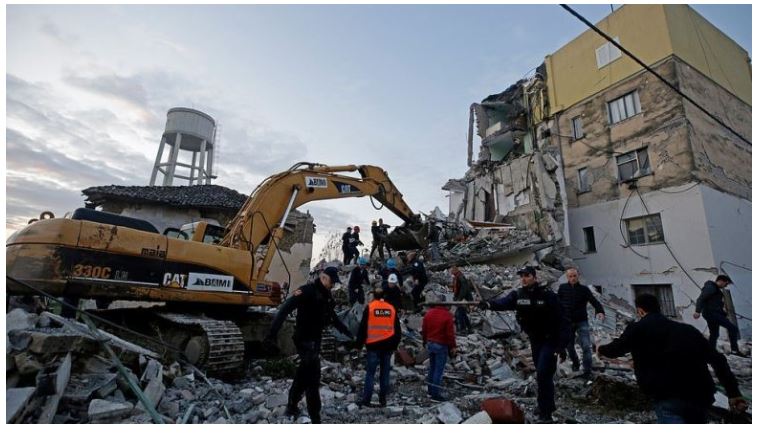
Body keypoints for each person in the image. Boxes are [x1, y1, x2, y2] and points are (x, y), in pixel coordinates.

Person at [598, 293, 748, 423]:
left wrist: (600, 348)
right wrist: (734, 393)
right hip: (699, 394)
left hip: (666, 396)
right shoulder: (687, 330)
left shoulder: (637, 329)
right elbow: (718, 360)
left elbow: (615, 349)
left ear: (640, 311)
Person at [478, 266, 569, 422]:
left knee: (542, 373)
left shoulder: (547, 295)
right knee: (543, 375)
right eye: (522, 276)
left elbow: (563, 320)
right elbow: (503, 302)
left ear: (534, 277)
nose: (524, 279)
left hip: (550, 340)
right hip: (535, 341)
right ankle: (547, 405)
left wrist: (562, 346)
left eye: (527, 275)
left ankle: (546, 413)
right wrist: (488, 304)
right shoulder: (519, 295)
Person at [266, 267, 353, 424]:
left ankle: (291, 405)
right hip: (304, 341)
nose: (333, 286)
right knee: (313, 378)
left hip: (315, 341)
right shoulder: (306, 291)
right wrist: (272, 335)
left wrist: (349, 334)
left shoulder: (326, 296)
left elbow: (333, 318)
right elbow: (285, 309)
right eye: (332, 282)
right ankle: (315, 418)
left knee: (303, 373)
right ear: (323, 278)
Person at [355, 287, 401, 407]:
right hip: (388, 346)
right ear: (384, 296)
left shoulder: (370, 307)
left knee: (370, 373)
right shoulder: (391, 308)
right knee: (385, 373)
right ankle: (383, 400)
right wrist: (395, 345)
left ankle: (366, 400)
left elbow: (363, 327)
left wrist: (359, 345)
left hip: (373, 346)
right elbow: (397, 330)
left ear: (373, 296)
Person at [557, 268, 605, 379]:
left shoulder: (584, 290)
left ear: (578, 276)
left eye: (574, 276)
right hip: (567, 322)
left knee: (586, 346)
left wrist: (600, 311)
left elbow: (594, 301)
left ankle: (587, 370)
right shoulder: (562, 288)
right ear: (567, 277)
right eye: (570, 276)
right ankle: (575, 364)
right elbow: (557, 303)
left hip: (581, 321)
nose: (573, 278)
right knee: (569, 347)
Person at [694, 275, 743, 356]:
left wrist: (723, 314)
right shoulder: (711, 288)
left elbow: (715, 304)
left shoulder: (715, 289)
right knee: (733, 329)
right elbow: (701, 299)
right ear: (721, 281)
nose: (726, 286)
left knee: (714, 334)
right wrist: (697, 311)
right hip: (712, 313)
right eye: (726, 284)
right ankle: (734, 350)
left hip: (711, 313)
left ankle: (710, 352)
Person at [421, 293, 456, 402]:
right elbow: (450, 334)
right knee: (438, 370)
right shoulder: (447, 315)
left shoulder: (429, 314)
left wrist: (424, 341)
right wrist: (453, 346)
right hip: (441, 345)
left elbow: (424, 330)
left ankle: (430, 390)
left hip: (430, 343)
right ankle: (435, 394)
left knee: (432, 368)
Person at [450, 265, 474, 333]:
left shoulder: (460, 277)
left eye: (451, 270)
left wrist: (459, 298)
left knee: (459, 313)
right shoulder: (458, 276)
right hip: (461, 298)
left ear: (455, 270)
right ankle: (469, 328)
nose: (451, 272)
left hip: (462, 299)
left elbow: (464, 289)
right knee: (462, 313)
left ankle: (463, 329)